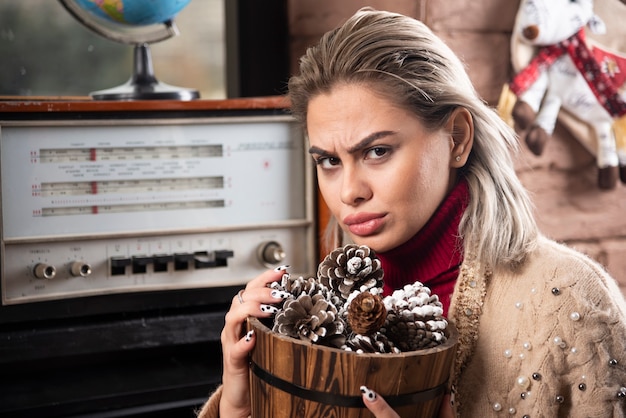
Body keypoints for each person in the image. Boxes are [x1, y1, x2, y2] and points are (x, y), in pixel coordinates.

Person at [197, 7, 626, 418]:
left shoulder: (570, 298)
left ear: (456, 138)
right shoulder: (315, 313)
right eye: (328, 160)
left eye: (377, 151)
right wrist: (244, 408)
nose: (349, 192)